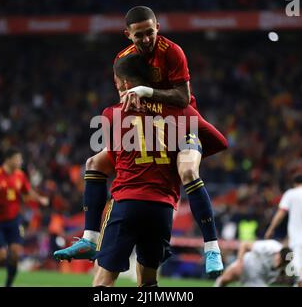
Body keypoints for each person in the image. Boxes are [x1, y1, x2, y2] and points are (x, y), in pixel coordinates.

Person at [54, 5, 226, 274]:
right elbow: (125, 90)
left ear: (158, 27)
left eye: (150, 33)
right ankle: (89, 239)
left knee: (188, 169)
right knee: (93, 163)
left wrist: (145, 91)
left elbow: (181, 97)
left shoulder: (173, 52)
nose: (146, 40)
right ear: (127, 35)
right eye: (139, 35)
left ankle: (212, 248)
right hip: (150, 123)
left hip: (182, 120)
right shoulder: (123, 59)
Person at [92, 53, 227, 286]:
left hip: (127, 202)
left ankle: (87, 235)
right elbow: (220, 141)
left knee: (104, 280)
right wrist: (189, 145)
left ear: (124, 83)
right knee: (148, 282)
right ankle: (212, 246)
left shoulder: (111, 114)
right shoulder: (181, 112)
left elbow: (115, 160)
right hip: (162, 208)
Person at [0, 148, 49, 287]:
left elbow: (28, 191)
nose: (20, 161)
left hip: (14, 220)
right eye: (17, 159)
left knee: (15, 254)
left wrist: (40, 199)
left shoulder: (20, 175)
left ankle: (8, 284)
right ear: (8, 159)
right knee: (2, 255)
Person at [215, 239, 292, 287]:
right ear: (278, 253)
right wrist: (240, 263)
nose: (278, 264)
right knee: (225, 279)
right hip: (247, 264)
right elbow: (244, 245)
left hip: (258, 280)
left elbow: (299, 280)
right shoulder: (269, 246)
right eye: (279, 260)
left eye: (282, 263)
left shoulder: (291, 266)